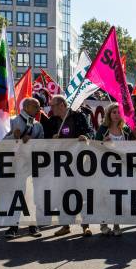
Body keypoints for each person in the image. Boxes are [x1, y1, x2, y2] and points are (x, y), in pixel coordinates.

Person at [44, 95, 94, 237]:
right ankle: (65, 225)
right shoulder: (52, 121)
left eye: (53, 105)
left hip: (79, 163)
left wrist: (86, 137)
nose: (50, 108)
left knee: (81, 193)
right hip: (61, 164)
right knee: (63, 193)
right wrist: (51, 139)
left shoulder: (79, 116)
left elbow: (91, 132)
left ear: (61, 105)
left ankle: (85, 226)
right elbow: (44, 139)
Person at [3, 98, 44, 238]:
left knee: (31, 196)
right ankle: (13, 226)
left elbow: (43, 145)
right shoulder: (12, 121)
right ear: (26, 107)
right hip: (14, 166)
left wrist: (31, 142)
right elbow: (0, 142)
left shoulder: (38, 126)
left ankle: (33, 225)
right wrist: (15, 138)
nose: (39, 109)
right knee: (15, 196)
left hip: (30, 166)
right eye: (36, 106)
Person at [95, 102, 132, 236]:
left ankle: (117, 225)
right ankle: (104, 224)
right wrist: (103, 143)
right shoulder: (103, 129)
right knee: (106, 197)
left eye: (118, 112)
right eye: (114, 112)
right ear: (109, 114)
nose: (116, 115)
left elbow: (132, 146)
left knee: (118, 197)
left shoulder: (126, 129)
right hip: (106, 168)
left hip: (121, 168)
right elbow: (95, 146)